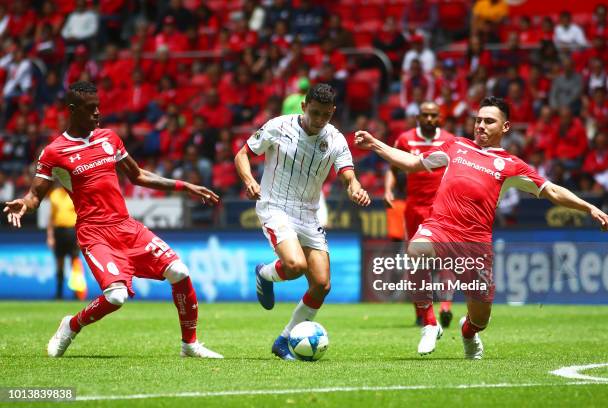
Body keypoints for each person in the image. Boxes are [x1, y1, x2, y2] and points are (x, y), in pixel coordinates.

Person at [355, 97, 608, 359]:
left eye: (489, 121)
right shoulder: (456, 146)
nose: (481, 126)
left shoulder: (511, 165)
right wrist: (375, 144)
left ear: (506, 127)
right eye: (478, 120)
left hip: (475, 243)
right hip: (440, 227)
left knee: (481, 318)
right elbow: (412, 163)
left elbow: (552, 190)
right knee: (416, 251)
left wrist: (588, 207)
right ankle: (430, 324)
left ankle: (468, 333)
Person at [3, 81, 223, 359]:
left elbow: (138, 175)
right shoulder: (54, 152)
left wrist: (184, 186)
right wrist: (24, 204)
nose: (97, 113)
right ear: (73, 110)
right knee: (116, 297)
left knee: (179, 272)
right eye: (90, 108)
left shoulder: (109, 138)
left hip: (126, 226)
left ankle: (189, 345)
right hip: (94, 233)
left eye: (98, 107)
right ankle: (71, 325)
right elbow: (35, 195)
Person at [234, 83, 371, 360]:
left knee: (322, 285)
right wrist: (249, 180)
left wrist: (355, 187)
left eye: (325, 115)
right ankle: (265, 273)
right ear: (303, 107)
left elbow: (347, 174)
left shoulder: (335, 139)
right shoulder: (278, 126)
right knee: (295, 265)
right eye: (315, 113)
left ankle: (284, 340)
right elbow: (242, 154)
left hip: (308, 214)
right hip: (275, 207)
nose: (319, 121)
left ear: (332, 112)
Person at [384, 102, 456, 328]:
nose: (429, 119)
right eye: (425, 115)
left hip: (441, 208)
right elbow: (393, 167)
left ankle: (445, 306)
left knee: (446, 257)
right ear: (418, 116)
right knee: (416, 261)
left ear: (440, 117)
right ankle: (421, 312)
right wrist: (388, 188)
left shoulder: (449, 140)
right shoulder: (405, 140)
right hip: (414, 208)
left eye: (433, 115)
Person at [47, 183, 87, 300]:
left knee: (74, 262)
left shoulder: (75, 194)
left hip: (72, 231)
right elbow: (51, 217)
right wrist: (50, 236)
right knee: (59, 263)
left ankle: (77, 293)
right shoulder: (54, 195)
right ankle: (59, 293)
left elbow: (82, 216)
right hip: (58, 231)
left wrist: (81, 236)